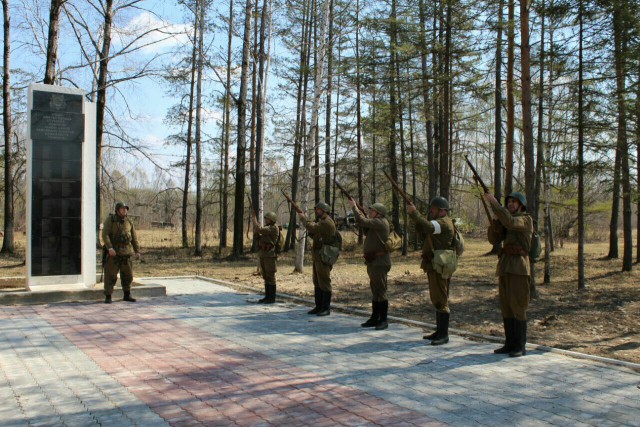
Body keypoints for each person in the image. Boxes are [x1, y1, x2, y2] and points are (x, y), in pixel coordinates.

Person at [484, 191, 533, 357]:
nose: (510, 204)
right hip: (505, 265)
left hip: (519, 266)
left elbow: (512, 222)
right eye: (509, 202)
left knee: (518, 305)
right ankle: (509, 343)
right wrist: (496, 224)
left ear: (521, 205)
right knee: (506, 305)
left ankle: (520, 345)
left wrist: (495, 205)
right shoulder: (507, 220)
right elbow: (494, 239)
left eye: (514, 202)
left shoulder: (525, 219)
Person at [407, 196, 456, 345]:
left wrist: (414, 213)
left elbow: (428, 227)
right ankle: (439, 331)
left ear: (441, 211)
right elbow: (424, 229)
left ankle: (444, 334)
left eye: (433, 209)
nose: (431, 211)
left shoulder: (444, 223)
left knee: (441, 298)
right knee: (436, 297)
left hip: (440, 264)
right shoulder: (438, 222)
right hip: (434, 263)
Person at [348, 200, 391, 330]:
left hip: (380, 262)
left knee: (381, 291)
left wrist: (355, 208)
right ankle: (375, 317)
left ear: (379, 213)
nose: (370, 212)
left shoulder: (381, 222)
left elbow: (363, 221)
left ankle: (383, 320)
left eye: (373, 211)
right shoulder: (376, 223)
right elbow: (365, 226)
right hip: (374, 261)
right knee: (375, 291)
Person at [298, 202, 336, 316]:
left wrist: (303, 219)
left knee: (324, 281)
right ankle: (318, 306)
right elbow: (315, 233)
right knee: (317, 281)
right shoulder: (322, 221)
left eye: (319, 210)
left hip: (324, 256)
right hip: (318, 255)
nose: (317, 211)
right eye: (316, 209)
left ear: (324, 211)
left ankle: (326, 308)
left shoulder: (327, 222)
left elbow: (312, 227)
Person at [102, 201, 141, 304]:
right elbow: (105, 235)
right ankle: (108, 295)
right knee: (110, 275)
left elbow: (134, 238)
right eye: (122, 209)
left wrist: (137, 251)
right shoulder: (111, 220)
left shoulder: (129, 222)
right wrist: (109, 248)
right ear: (117, 210)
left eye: (126, 209)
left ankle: (127, 294)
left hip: (126, 253)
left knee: (128, 275)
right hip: (114, 253)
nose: (125, 210)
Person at [251, 211, 280, 304]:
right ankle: (267, 296)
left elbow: (260, 229)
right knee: (265, 276)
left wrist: (254, 220)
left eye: (267, 219)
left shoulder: (273, 228)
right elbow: (260, 233)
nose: (266, 220)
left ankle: (271, 298)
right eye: (266, 219)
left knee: (270, 275)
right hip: (263, 254)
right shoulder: (267, 228)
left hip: (270, 255)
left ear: (272, 220)